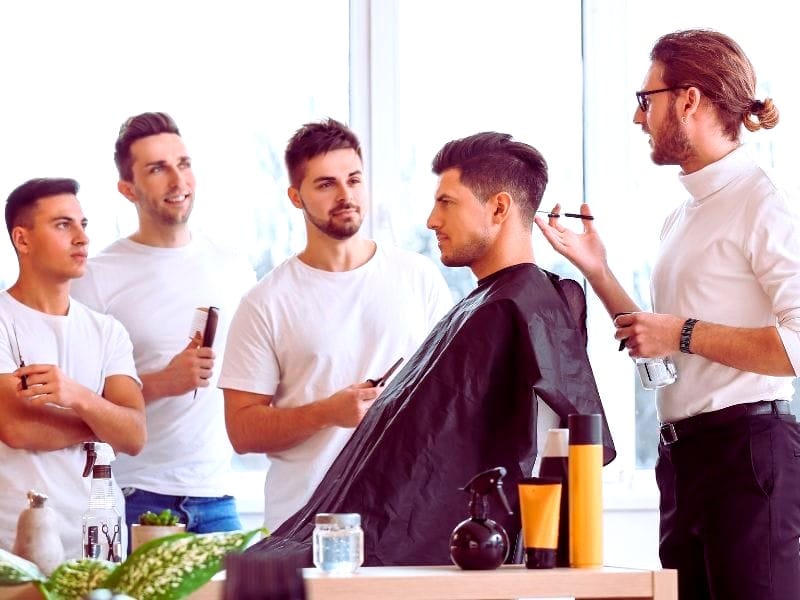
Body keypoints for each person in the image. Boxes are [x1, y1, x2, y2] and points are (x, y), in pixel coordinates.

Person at [247, 131, 615, 565]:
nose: (431, 221)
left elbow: (569, 443)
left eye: (447, 202)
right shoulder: (484, 305)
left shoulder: (516, 308)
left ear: (498, 208)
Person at [536, 29, 800, 600]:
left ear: (689, 99)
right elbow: (666, 350)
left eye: (645, 99)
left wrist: (680, 331)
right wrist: (598, 271)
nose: (639, 119)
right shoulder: (682, 217)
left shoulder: (762, 203)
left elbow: (796, 346)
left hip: (749, 455)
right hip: (685, 460)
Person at [218, 118, 453, 533]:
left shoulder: (419, 276)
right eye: (326, 184)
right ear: (296, 196)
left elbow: (449, 394)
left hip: (408, 520)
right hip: (304, 527)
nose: (345, 195)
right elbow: (242, 431)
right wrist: (327, 412)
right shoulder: (265, 303)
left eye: (354, 179)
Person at [71, 113, 255, 538]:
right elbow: (75, 403)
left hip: (220, 498)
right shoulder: (97, 278)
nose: (178, 180)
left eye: (184, 163)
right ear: (127, 189)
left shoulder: (233, 267)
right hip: (135, 496)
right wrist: (161, 382)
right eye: (158, 169)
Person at [0, 177, 146, 558]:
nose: (81, 238)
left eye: (83, 224)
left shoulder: (108, 331)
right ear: (23, 239)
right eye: (63, 225)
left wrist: (77, 396)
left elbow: (134, 436)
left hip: (102, 546)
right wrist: (102, 425)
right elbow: (16, 428)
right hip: (16, 547)